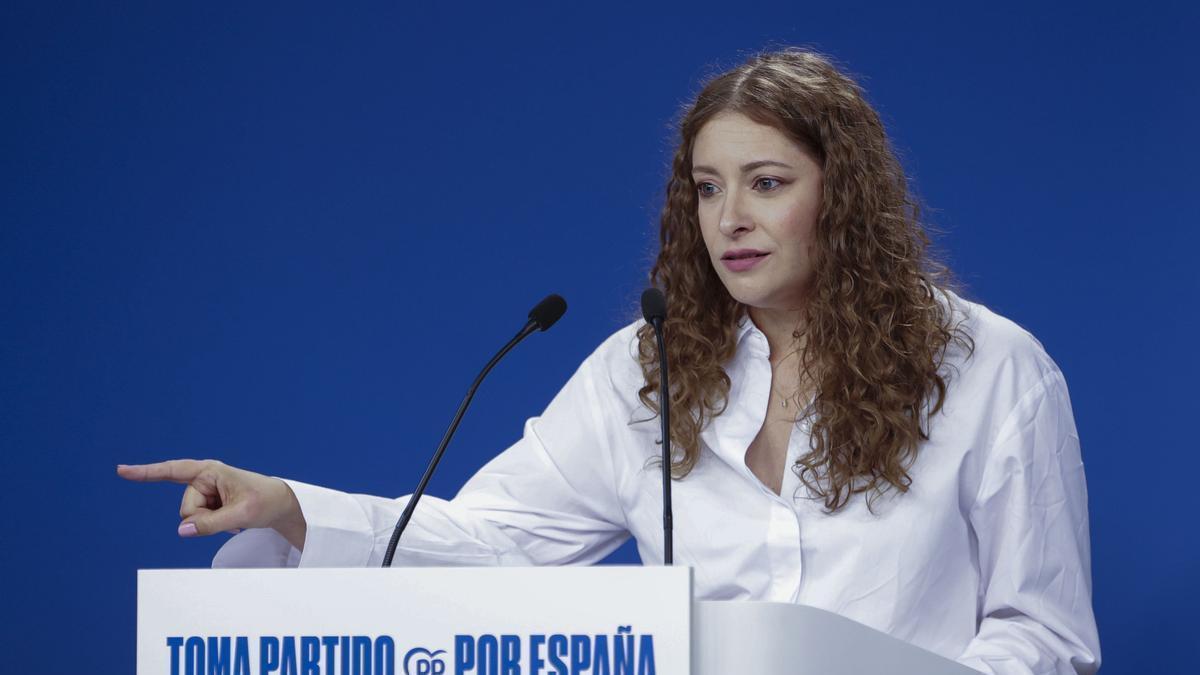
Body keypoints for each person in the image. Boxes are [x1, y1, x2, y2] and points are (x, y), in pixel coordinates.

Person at [119, 47, 1100, 674]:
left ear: (841, 196)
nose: (733, 220)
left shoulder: (990, 368)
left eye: (767, 183)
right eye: (709, 189)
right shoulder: (645, 367)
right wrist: (293, 506)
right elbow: (502, 542)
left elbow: (1043, 635)